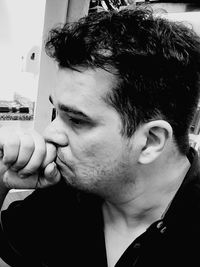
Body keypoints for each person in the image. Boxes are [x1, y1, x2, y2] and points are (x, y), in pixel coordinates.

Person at [0, 7, 200, 267]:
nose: (50, 133)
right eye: (55, 112)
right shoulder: (65, 198)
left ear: (151, 141)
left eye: (77, 120)